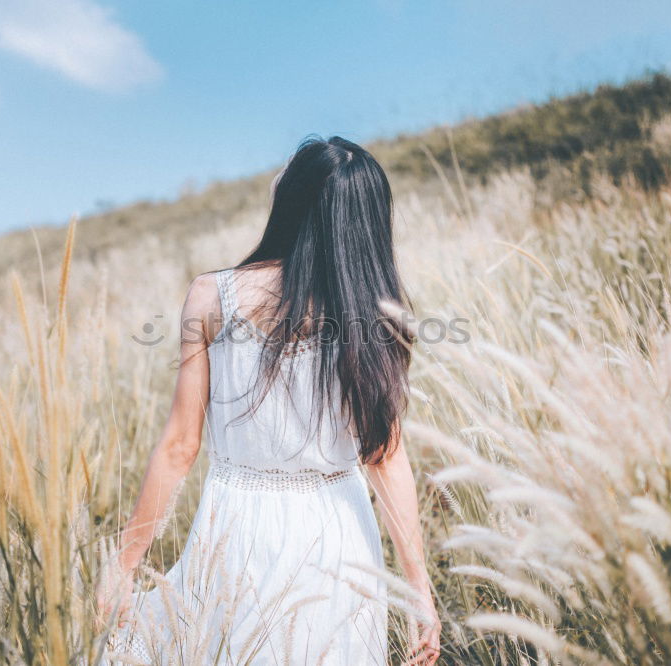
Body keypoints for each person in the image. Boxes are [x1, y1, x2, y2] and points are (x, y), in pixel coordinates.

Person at [97, 135, 440, 665]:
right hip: (340, 540)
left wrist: (122, 568)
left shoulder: (212, 295)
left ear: (292, 198)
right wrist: (418, 588)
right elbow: (385, 456)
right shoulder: (377, 313)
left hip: (236, 528)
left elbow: (179, 448)